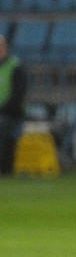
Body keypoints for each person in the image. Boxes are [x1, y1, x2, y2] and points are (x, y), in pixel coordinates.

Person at [0, 35, 27, 176]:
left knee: (3, 126)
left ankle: (5, 169)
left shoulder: (15, 67)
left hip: (12, 114)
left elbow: (18, 96)